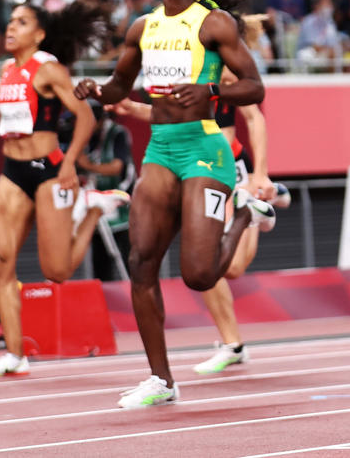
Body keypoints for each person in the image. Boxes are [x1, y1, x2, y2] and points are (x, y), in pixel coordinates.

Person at [72, 0, 277, 409]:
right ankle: (161, 379)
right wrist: (95, 89)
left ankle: (245, 212)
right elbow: (119, 86)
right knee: (141, 263)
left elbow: (254, 87)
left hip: (204, 147)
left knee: (200, 276)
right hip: (161, 150)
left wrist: (210, 90)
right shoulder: (141, 27)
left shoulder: (214, 23)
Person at [0, 0, 115, 377]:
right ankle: (15, 354)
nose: (11, 27)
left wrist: (72, 165)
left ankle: (93, 210)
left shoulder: (48, 68)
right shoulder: (8, 69)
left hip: (48, 170)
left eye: (22, 22)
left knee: (56, 271)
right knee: (1, 261)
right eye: (10, 20)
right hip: (13, 170)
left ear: (39, 33)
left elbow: (85, 116)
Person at [110, 62, 291, 375]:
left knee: (231, 268)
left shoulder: (222, 70)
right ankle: (232, 344)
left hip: (228, 166)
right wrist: (132, 108)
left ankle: (256, 201)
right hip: (192, 166)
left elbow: (253, 117)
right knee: (206, 261)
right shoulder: (178, 71)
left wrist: (260, 173)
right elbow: (168, 118)